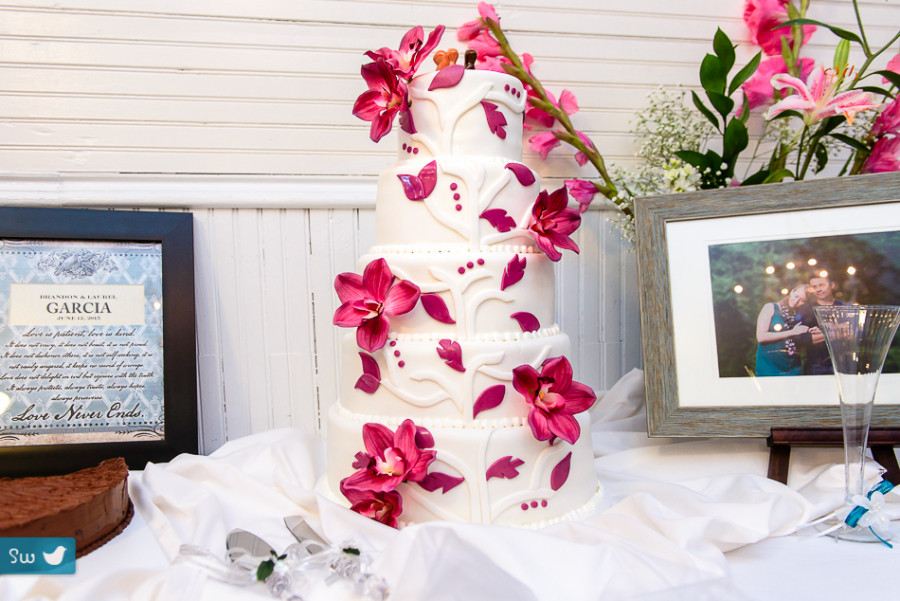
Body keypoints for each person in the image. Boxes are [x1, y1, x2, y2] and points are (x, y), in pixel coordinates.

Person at [755, 284, 810, 376]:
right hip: (769, 365)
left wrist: (809, 331)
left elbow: (799, 340)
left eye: (802, 300)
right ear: (792, 291)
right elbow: (761, 337)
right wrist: (792, 332)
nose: (796, 301)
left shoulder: (799, 315)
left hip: (793, 366)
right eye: (796, 296)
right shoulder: (770, 307)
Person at [797, 274, 847, 375]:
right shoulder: (805, 311)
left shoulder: (844, 308)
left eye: (821, 285)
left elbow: (853, 333)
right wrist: (836, 330)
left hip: (843, 364)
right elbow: (801, 339)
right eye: (814, 287)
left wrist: (819, 334)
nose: (818, 289)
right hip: (816, 366)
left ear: (832, 285)